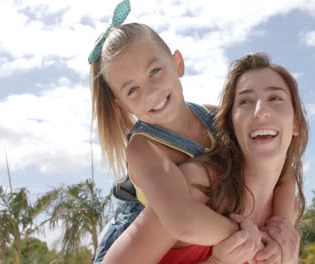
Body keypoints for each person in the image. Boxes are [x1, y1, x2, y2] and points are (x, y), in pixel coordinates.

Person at [89, 1, 303, 262]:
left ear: (178, 63)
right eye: (132, 90)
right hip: (139, 233)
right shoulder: (144, 148)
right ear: (121, 104)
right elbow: (182, 221)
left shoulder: (214, 115)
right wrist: (247, 236)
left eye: (155, 71)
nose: (151, 91)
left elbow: (285, 170)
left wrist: (281, 228)